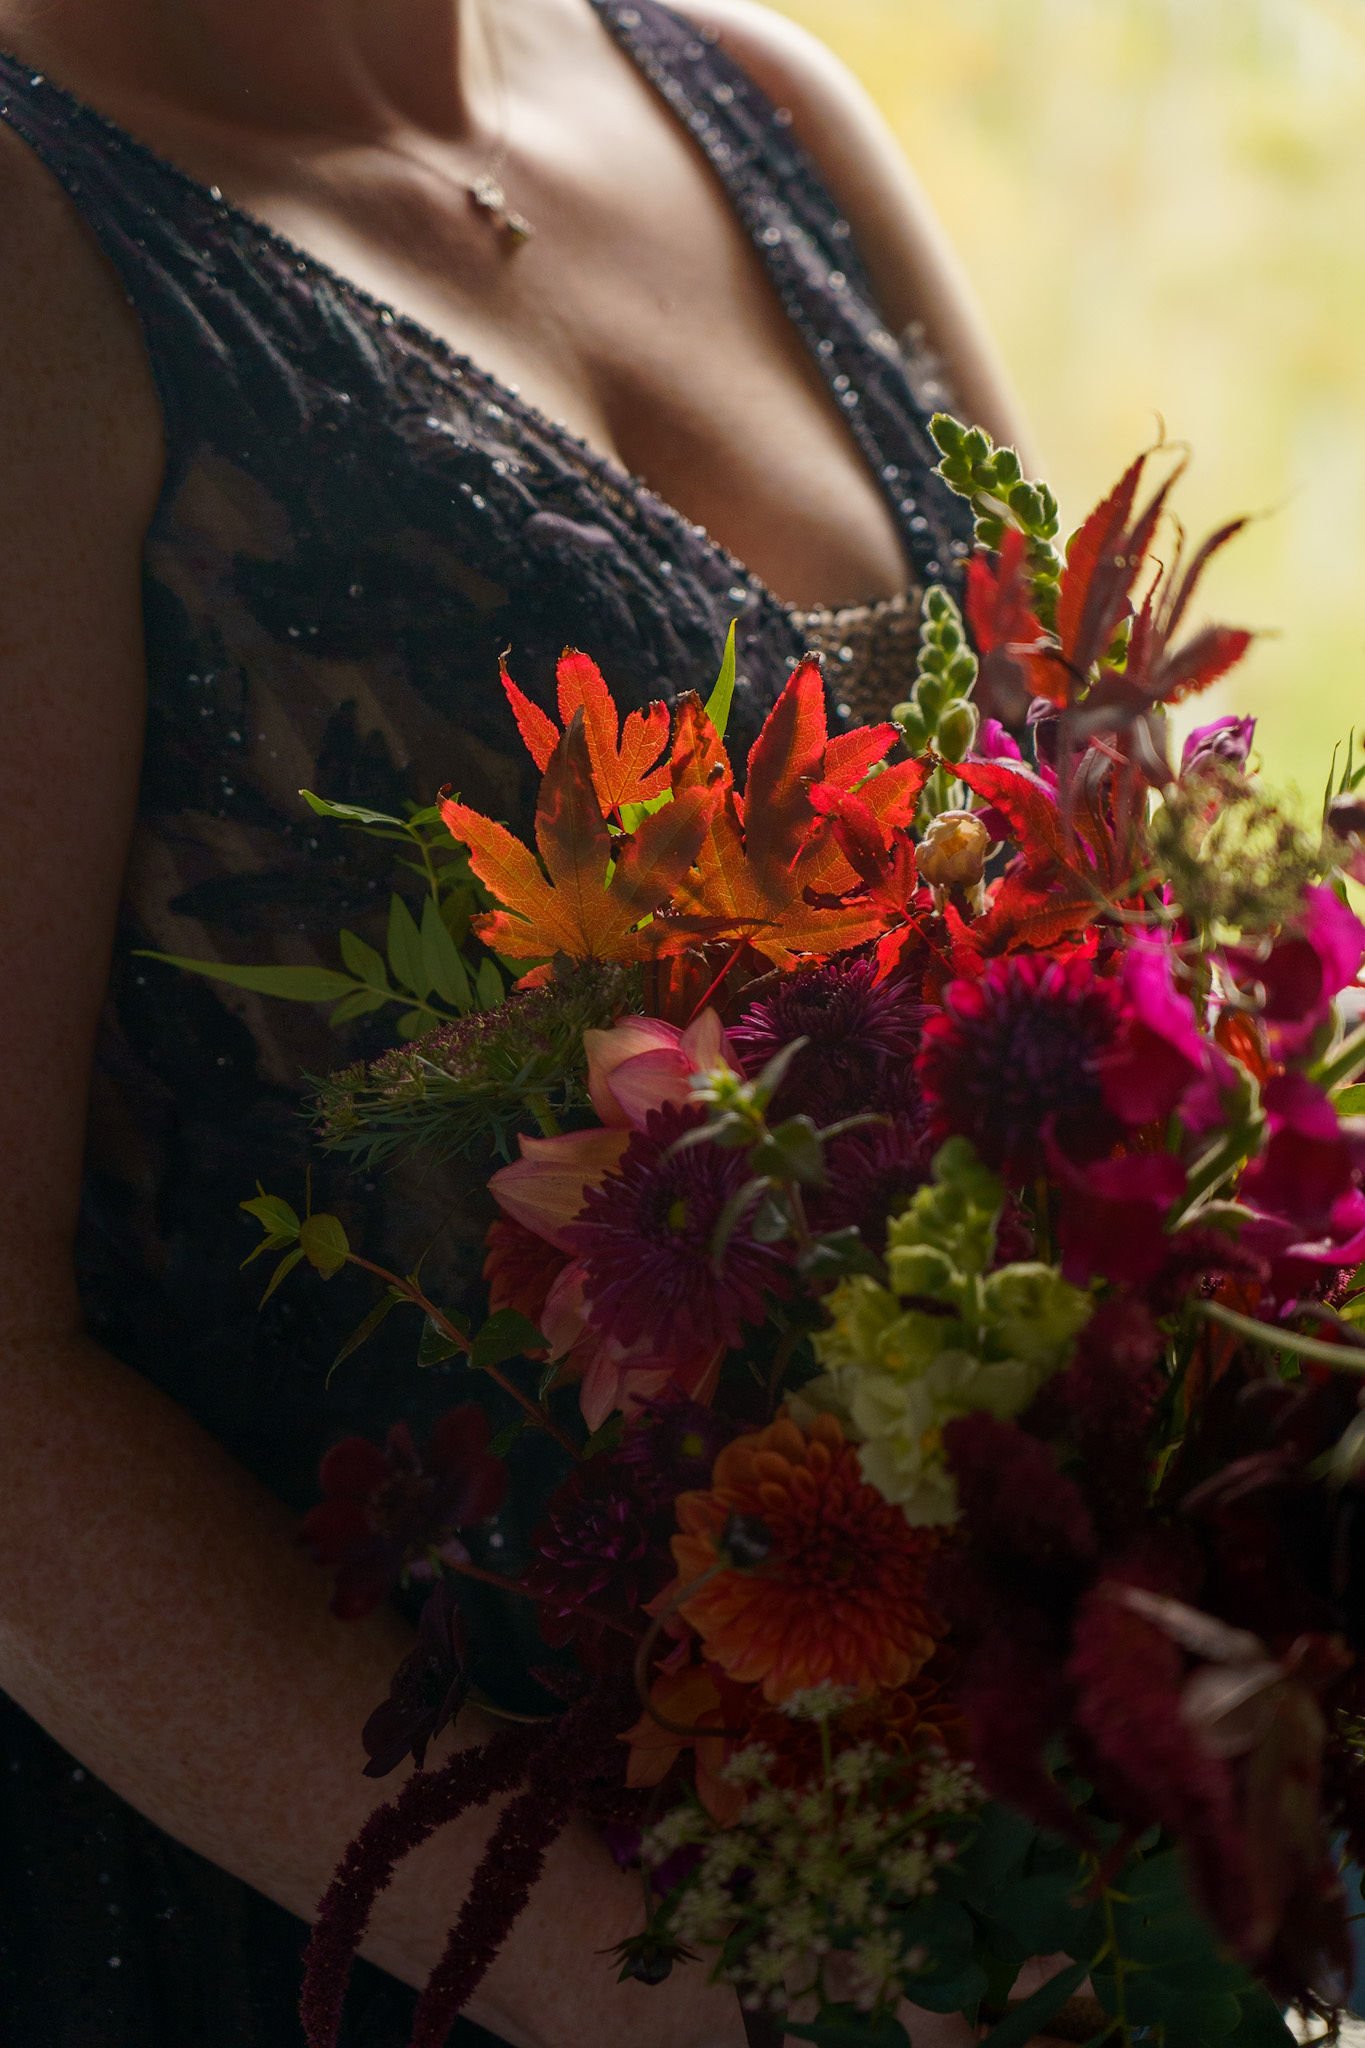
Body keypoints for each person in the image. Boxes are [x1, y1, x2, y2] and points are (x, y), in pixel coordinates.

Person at [0, 1, 1048, 2042]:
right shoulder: (33, 235)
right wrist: (749, 2008)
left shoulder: (759, 101)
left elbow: (1093, 885)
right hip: (372, 1926)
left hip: (969, 1823)